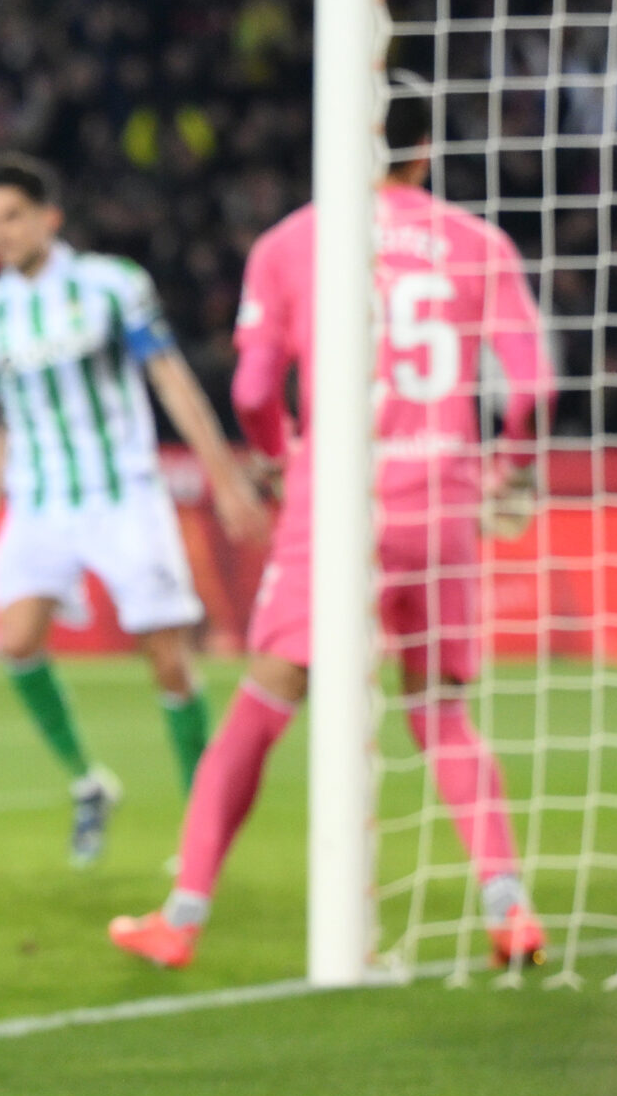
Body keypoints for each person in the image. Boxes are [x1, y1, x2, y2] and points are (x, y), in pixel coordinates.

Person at [110, 94, 550, 970]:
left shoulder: (290, 242)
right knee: (440, 713)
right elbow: (531, 386)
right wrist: (508, 464)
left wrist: (283, 455)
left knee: (261, 707)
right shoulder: (479, 243)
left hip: (336, 503)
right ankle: (509, 908)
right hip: (439, 501)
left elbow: (251, 391)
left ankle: (183, 915)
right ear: (425, 150)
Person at [0, 156, 271, 866]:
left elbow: (170, 377)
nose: (0, 233)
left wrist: (223, 476)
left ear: (49, 217)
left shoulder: (112, 285)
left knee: (169, 659)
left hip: (123, 493)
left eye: (12, 216)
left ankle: (202, 828)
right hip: (38, 501)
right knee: (16, 639)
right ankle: (88, 781)